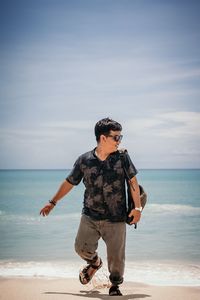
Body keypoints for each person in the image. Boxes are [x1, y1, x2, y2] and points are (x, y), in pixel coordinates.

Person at [40, 117, 142, 296]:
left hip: (116, 217)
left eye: (120, 137)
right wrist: (52, 202)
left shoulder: (122, 158)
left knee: (116, 259)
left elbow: (133, 182)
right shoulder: (84, 160)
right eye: (116, 137)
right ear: (103, 138)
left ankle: (115, 285)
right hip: (90, 216)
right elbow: (69, 182)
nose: (119, 141)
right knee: (80, 247)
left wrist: (138, 208)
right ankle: (94, 263)